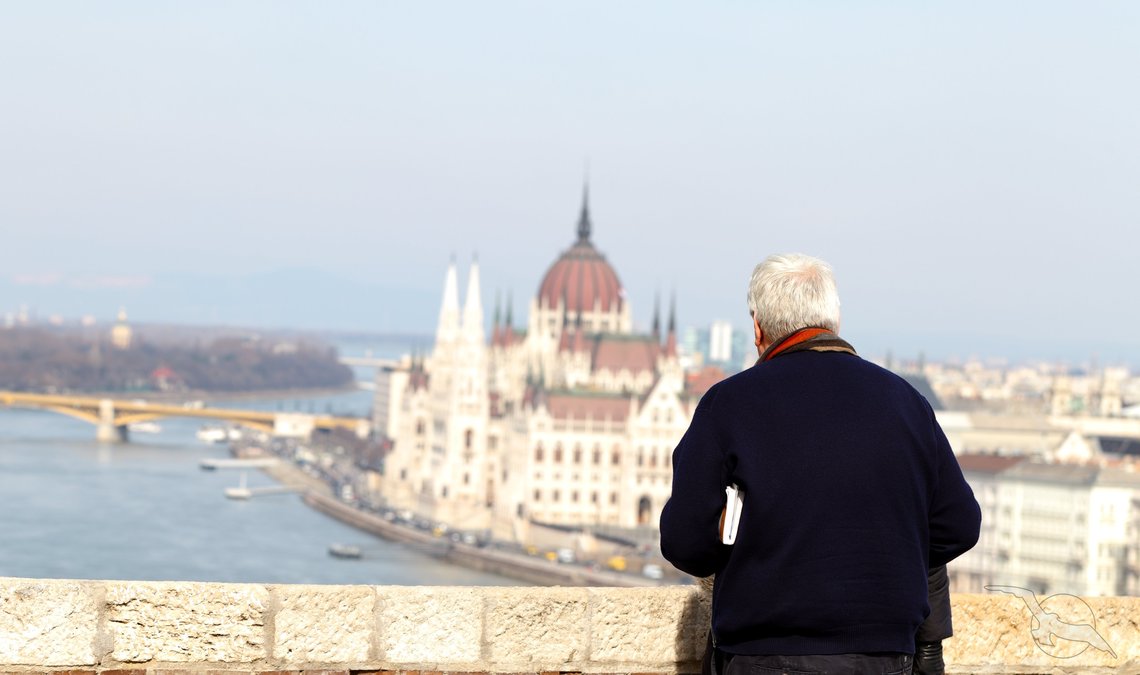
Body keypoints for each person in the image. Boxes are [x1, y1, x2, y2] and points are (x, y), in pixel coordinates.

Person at [661, 253, 980, 675]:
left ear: (757, 329)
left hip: (764, 655)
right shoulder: (906, 402)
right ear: (834, 320)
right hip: (885, 657)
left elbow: (684, 543)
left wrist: (742, 535)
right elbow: (959, 526)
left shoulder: (730, 404)